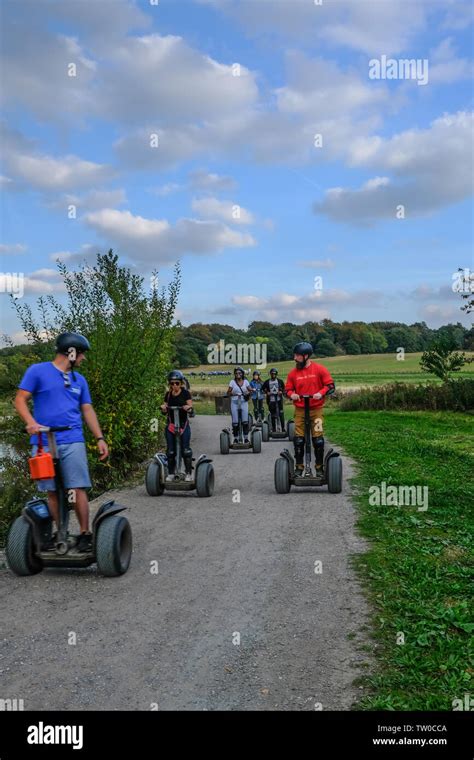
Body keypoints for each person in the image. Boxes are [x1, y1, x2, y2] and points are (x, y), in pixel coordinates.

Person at [14, 332, 108, 553]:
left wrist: (100, 438)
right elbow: (19, 399)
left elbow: (87, 409)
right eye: (82, 354)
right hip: (43, 442)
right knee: (52, 491)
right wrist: (30, 422)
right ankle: (61, 533)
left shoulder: (79, 380)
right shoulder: (37, 371)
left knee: (77, 487)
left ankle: (85, 534)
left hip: (72, 439)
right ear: (72, 352)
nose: (83, 358)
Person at [285, 342, 335, 477]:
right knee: (299, 440)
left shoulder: (319, 369)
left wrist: (321, 392)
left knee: (318, 439)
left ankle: (319, 468)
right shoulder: (293, 373)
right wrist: (292, 395)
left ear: (306, 356)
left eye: (297, 356)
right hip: (300, 410)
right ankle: (299, 467)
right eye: (294, 355)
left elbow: (330, 386)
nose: (295, 358)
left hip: (316, 409)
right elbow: (287, 390)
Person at [161, 370, 193, 481]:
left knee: (186, 451)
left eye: (177, 383)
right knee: (171, 451)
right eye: (172, 383)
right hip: (171, 426)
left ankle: (188, 473)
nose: (174, 385)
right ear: (169, 384)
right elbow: (165, 408)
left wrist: (188, 408)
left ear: (181, 383)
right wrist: (164, 408)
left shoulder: (185, 393)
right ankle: (171, 473)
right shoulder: (168, 395)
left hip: (183, 425)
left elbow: (190, 407)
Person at [226, 366, 252, 444]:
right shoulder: (232, 382)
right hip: (234, 403)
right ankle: (236, 438)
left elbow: (250, 390)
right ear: (235, 374)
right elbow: (228, 392)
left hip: (243, 402)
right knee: (235, 422)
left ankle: (246, 438)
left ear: (242, 374)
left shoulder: (246, 382)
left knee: (245, 421)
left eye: (239, 373)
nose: (238, 374)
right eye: (236, 373)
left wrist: (250, 391)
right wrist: (233, 393)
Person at [262, 367, 285, 433]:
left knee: (281, 413)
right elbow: (263, 388)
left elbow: (284, 389)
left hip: (279, 400)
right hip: (271, 401)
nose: (273, 375)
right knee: (273, 415)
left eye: (274, 374)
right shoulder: (267, 382)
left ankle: (283, 428)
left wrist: (281, 391)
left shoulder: (280, 381)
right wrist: (267, 392)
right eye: (272, 374)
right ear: (270, 374)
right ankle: (274, 429)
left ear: (276, 374)